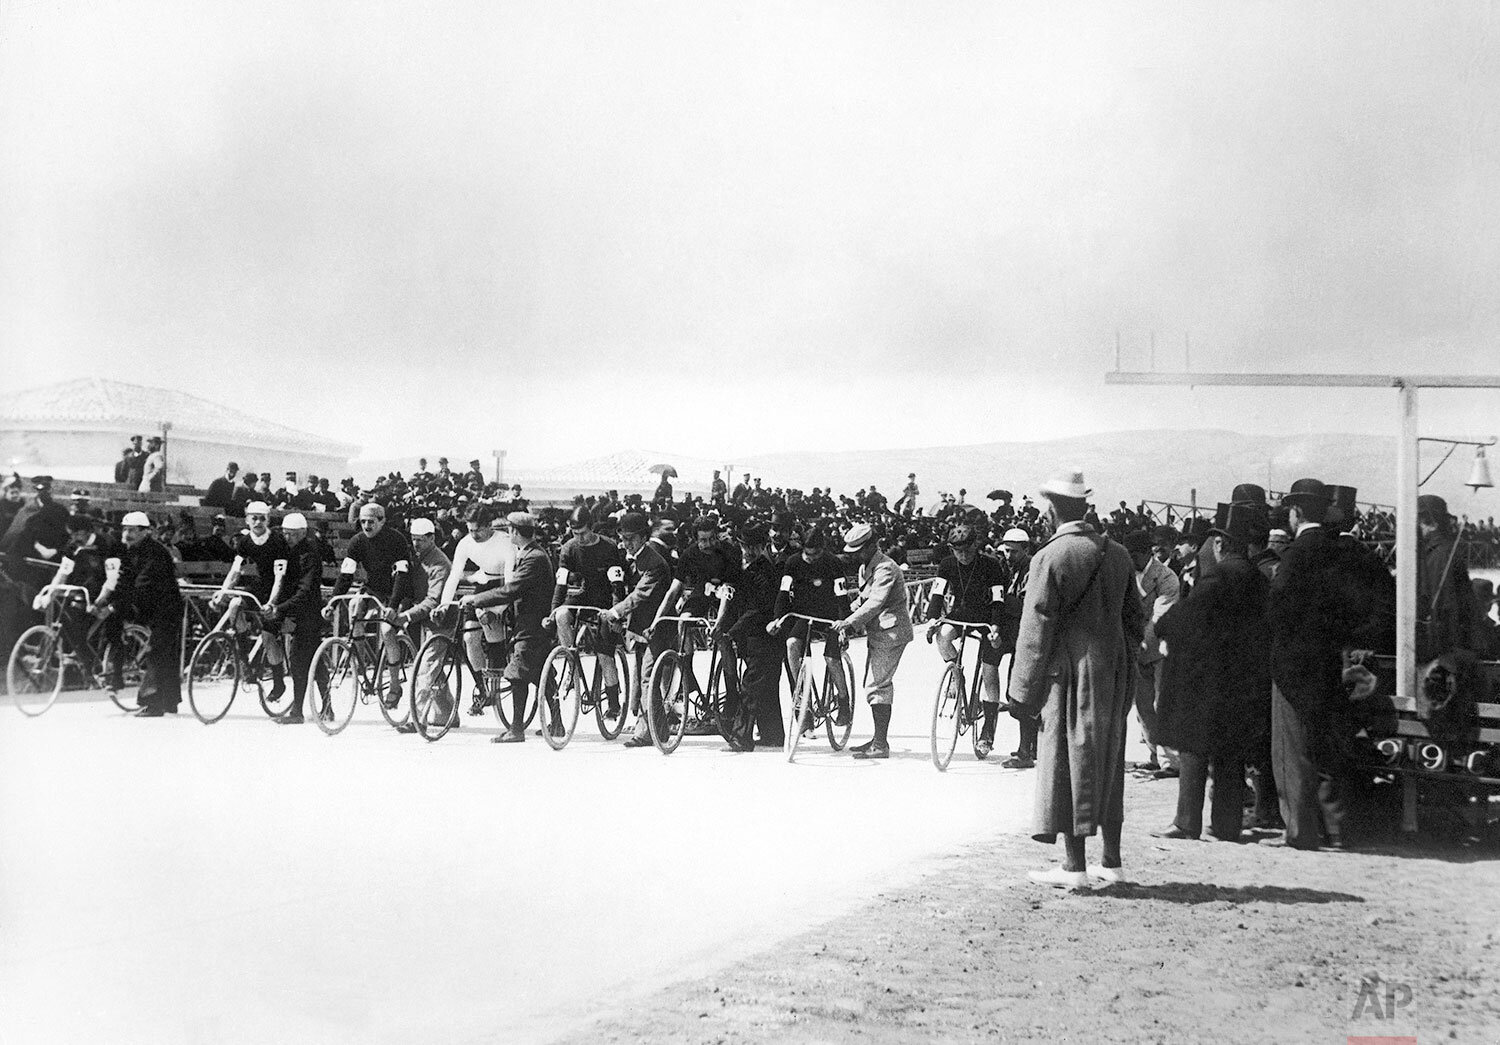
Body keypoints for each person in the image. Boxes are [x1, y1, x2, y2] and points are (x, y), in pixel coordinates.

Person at [1009, 469, 1142, 890]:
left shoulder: (1050, 557)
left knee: (1069, 761)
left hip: (1068, 671)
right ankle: (1113, 861)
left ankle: (1074, 866)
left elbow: (1035, 629)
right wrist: (1120, 656)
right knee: (1109, 759)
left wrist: (1022, 692)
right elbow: (1136, 620)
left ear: (1052, 510)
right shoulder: (1116, 553)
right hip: (1113, 668)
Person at [1152, 503, 1271, 843]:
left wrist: (1162, 625)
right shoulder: (1255, 577)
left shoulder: (1217, 576)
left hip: (1206, 678)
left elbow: (1184, 619)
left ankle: (1186, 821)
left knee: (1193, 747)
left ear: (1219, 544)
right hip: (1240, 677)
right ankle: (1227, 824)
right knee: (1230, 751)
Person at [1263, 478, 1357, 851]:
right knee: (1324, 747)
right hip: (1328, 658)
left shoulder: (1297, 553)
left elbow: (1278, 607)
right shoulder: (1337, 550)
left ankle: (1299, 831)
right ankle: (1336, 830)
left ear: (1296, 512)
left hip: (1293, 662)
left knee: (1291, 749)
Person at [470, 512, 556, 743]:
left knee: (517, 675)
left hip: (531, 624)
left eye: (509, 529)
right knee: (540, 674)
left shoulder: (534, 557)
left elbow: (512, 590)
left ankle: (516, 730)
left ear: (515, 532)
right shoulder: (529, 553)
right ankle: (556, 723)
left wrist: (477, 599)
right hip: (531, 622)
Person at [922, 522, 1006, 758]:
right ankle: (957, 676)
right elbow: (937, 594)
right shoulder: (947, 565)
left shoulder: (991, 565)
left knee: (990, 672)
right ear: (951, 549)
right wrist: (931, 619)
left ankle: (988, 730)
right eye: (958, 552)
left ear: (975, 546)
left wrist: (996, 627)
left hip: (988, 618)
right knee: (943, 636)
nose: (963, 556)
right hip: (961, 613)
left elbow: (998, 600)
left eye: (967, 551)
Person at [328, 501, 425, 700]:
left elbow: (402, 575)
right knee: (354, 605)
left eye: (371, 522)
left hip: (399, 590)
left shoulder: (395, 539)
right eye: (363, 521)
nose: (366, 526)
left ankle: (395, 686)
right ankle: (362, 665)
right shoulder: (357, 541)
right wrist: (333, 602)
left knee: (387, 630)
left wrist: (392, 606)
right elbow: (346, 574)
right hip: (374, 588)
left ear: (382, 521)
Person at [654, 515, 742, 732]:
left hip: (727, 596)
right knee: (683, 621)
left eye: (712, 539)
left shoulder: (729, 551)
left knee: (723, 638)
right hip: (702, 594)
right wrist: (657, 619)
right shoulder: (689, 554)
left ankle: (732, 691)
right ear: (695, 539)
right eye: (703, 540)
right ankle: (687, 672)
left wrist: (718, 623)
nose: (708, 545)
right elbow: (674, 590)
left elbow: (728, 592)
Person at [833, 522, 913, 760]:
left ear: (871, 545)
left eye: (858, 550)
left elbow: (875, 602)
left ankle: (880, 744)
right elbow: (862, 599)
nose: (855, 555)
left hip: (891, 632)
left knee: (878, 686)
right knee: (875, 684)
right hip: (878, 633)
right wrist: (844, 614)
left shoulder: (886, 568)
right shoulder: (866, 567)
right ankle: (878, 739)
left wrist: (848, 622)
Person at [97, 511, 183, 716]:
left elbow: (143, 585)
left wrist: (116, 605)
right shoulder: (128, 551)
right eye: (125, 530)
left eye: (132, 530)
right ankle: (114, 675)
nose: (127, 534)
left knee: (160, 650)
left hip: (165, 608)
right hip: (145, 605)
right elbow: (123, 581)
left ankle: (153, 703)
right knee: (113, 622)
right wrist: (109, 603)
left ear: (146, 532)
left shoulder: (156, 553)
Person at [548, 506, 627, 722]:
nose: (579, 538)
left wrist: (614, 612)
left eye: (583, 533)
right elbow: (561, 585)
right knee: (562, 615)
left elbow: (617, 585)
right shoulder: (568, 548)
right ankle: (571, 661)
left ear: (591, 528)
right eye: (575, 533)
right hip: (584, 594)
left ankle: (613, 702)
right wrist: (553, 610)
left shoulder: (609, 547)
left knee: (604, 654)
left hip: (604, 600)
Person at [770, 526, 852, 728]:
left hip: (829, 616)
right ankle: (802, 698)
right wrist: (777, 619)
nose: (811, 559)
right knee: (791, 644)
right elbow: (783, 593)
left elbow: (842, 597)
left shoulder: (833, 563)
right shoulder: (793, 563)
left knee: (831, 658)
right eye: (807, 554)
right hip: (804, 614)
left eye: (816, 554)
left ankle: (844, 702)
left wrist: (844, 626)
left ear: (822, 549)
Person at [437, 504, 516, 711]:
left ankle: (497, 673)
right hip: (482, 584)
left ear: (489, 526)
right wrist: (444, 604)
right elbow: (454, 576)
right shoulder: (465, 543)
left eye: (477, 530)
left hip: (503, 586)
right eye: (470, 530)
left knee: (491, 627)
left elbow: (509, 582)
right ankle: (482, 687)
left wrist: (498, 610)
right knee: (469, 637)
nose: (473, 535)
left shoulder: (505, 543)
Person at [213, 501, 294, 703]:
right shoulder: (245, 542)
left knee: (268, 637)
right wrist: (223, 592)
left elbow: (279, 578)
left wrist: (272, 602)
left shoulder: (277, 542)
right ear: (247, 519)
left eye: (262, 518)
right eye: (254, 518)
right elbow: (235, 572)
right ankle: (244, 660)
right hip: (259, 587)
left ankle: (278, 682)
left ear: (268, 520)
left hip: (279, 591)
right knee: (234, 605)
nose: (257, 522)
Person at [610, 513, 674, 748]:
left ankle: (649, 732)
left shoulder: (654, 562)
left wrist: (616, 612)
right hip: (640, 628)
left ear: (644, 537)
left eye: (632, 538)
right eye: (623, 538)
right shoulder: (632, 559)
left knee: (648, 676)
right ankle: (657, 729)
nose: (627, 543)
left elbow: (640, 594)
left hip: (657, 627)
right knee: (642, 678)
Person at [1123, 529, 1180, 778]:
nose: (1130, 559)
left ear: (1147, 553)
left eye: (1134, 555)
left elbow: (1161, 616)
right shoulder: (1124, 575)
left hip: (1160, 649)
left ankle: (1172, 761)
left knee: (1162, 703)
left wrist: (1141, 643)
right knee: (1143, 706)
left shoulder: (1166, 577)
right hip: (1135, 649)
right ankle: (1154, 755)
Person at [722, 520, 783, 750]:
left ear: (764, 545)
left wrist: (733, 629)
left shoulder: (764, 572)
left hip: (763, 636)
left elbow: (758, 609)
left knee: (750, 686)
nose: (749, 551)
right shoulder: (746, 568)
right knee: (766, 687)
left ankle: (741, 737)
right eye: (745, 546)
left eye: (754, 546)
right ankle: (773, 735)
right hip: (755, 637)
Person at [264, 513, 327, 724]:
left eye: (291, 534)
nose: (287, 537)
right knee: (313, 661)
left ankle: (297, 712)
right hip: (293, 608)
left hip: (307, 612)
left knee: (299, 660)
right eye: (285, 534)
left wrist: (279, 608)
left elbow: (305, 591)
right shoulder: (288, 549)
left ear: (302, 533)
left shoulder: (310, 555)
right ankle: (327, 706)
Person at [1415, 494, 1480, 662]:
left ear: (1429, 522)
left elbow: (1447, 608)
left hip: (1442, 651)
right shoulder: (1436, 551)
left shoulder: (1441, 554)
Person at [993, 528, 1035, 766]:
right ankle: (1030, 747)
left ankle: (1025, 752)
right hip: (1012, 631)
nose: (1008, 556)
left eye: (1013, 552)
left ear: (1026, 550)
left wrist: (997, 600)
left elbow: (1024, 605)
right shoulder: (1007, 567)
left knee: (1020, 695)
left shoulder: (1032, 569)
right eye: (1006, 551)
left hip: (1027, 634)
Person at [0, 475, 71, 570]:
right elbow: (15, 533)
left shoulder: (60, 510)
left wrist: (56, 551)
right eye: (41, 490)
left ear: (51, 490)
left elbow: (67, 534)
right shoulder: (27, 510)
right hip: (30, 556)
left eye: (47, 490)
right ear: (36, 490)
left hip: (54, 556)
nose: (44, 493)